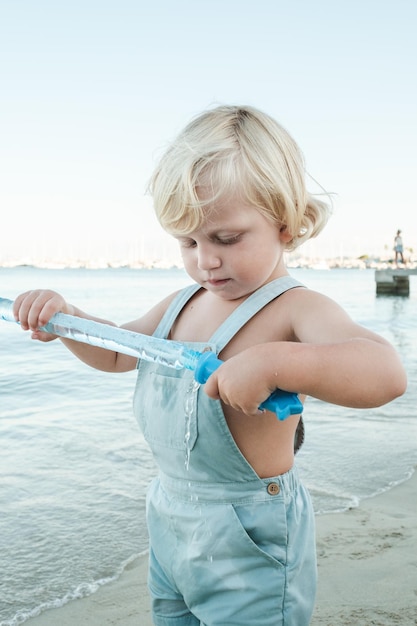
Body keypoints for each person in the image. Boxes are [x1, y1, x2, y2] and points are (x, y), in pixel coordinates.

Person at [13, 105, 407, 626]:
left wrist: (276, 360)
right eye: (188, 242)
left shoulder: (294, 309)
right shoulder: (182, 301)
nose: (205, 260)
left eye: (226, 239)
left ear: (286, 225)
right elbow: (113, 352)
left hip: (250, 536)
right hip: (170, 520)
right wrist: (68, 321)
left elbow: (385, 373)